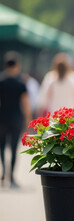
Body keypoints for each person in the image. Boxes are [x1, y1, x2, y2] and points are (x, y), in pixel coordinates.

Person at [0, 51, 32, 188]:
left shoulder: (1, 80)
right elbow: (26, 104)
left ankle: (3, 172)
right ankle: (11, 177)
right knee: (13, 148)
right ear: (17, 65)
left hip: (2, 118)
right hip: (16, 118)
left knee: (1, 146)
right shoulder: (21, 83)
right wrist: (28, 121)